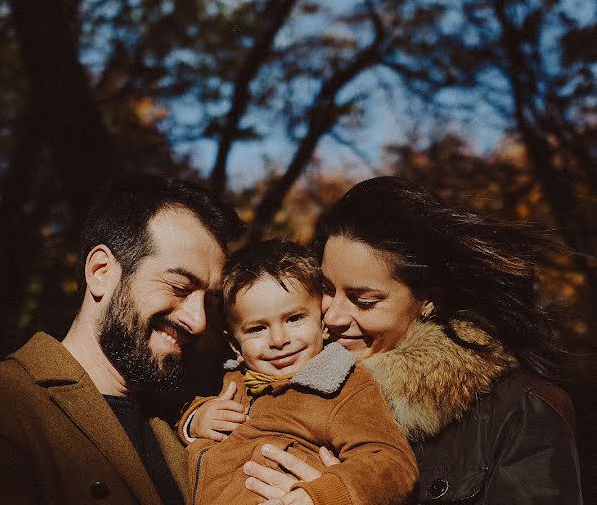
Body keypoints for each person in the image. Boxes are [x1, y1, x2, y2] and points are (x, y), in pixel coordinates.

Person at [241, 177, 583, 505]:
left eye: (364, 300)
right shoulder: (284, 380)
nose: (332, 317)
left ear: (427, 300)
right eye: (328, 289)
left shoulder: (523, 410)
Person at [0, 173, 242, 504]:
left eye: (210, 302)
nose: (199, 321)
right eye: (179, 287)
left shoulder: (181, 430)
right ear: (101, 272)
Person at [180, 240, 418, 505]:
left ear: (322, 324)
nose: (279, 340)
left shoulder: (343, 387)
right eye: (257, 328)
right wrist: (195, 420)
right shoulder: (232, 380)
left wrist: (321, 495)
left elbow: (391, 463)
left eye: (294, 319)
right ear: (235, 345)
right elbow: (185, 415)